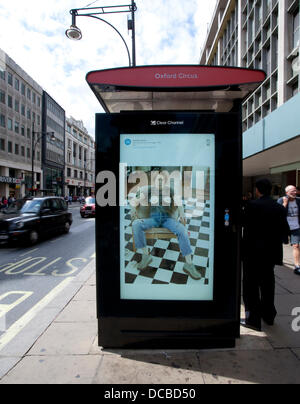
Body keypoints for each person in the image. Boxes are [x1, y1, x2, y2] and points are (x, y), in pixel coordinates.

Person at [241, 178, 289, 331]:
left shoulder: (251, 206)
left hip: (252, 253)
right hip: (270, 254)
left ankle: (253, 319)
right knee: (268, 284)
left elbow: (242, 223)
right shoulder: (280, 208)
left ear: (257, 190)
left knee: (251, 286)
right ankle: (269, 316)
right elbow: (285, 232)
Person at [131, 184, 201, 280]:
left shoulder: (170, 190)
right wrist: (133, 208)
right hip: (153, 219)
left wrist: (182, 212)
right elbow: (135, 199)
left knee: (182, 230)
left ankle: (189, 264)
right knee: (136, 224)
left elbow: (179, 202)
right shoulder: (147, 190)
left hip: (167, 220)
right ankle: (146, 256)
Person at [278, 185, 300, 275]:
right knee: (280, 243)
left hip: (296, 227)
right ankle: (279, 259)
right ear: (287, 193)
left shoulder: (299, 200)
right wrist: (284, 204)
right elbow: (278, 213)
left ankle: (297, 265)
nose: (294, 193)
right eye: (292, 191)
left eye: (295, 191)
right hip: (284, 227)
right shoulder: (281, 200)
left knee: (296, 245)